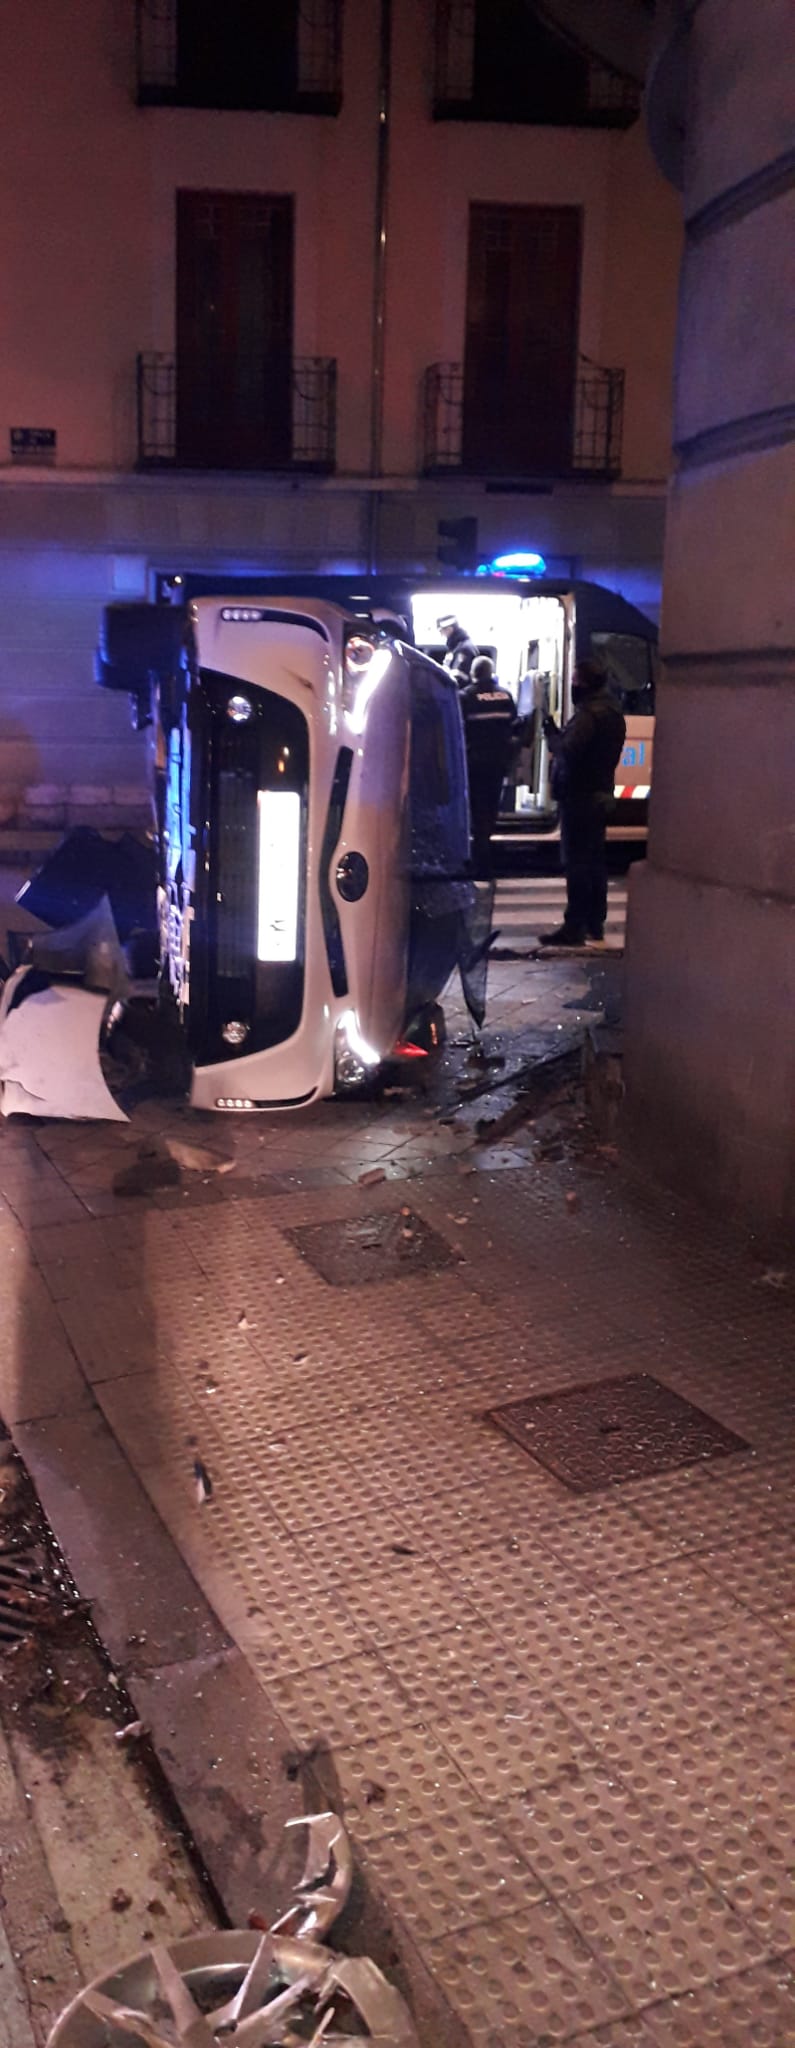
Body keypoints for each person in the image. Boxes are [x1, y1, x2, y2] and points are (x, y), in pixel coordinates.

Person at [541, 656, 626, 945]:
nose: (573, 686)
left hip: (580, 797)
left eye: (576, 681)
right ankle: (594, 923)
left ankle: (574, 927)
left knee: (577, 863)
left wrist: (552, 734)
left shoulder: (590, 714)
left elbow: (569, 751)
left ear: (586, 683)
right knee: (595, 863)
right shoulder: (613, 711)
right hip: (600, 794)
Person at [460, 654, 517, 878]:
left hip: (475, 764)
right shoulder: (505, 695)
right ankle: (486, 859)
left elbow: (459, 730)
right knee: (489, 811)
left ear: (474, 674)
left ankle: (479, 862)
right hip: (498, 763)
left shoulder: (466, 697)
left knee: (475, 812)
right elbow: (513, 727)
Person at [438, 614, 477, 686]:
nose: (441, 635)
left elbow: (461, 676)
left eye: (442, 631)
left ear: (449, 629)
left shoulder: (464, 649)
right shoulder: (455, 647)